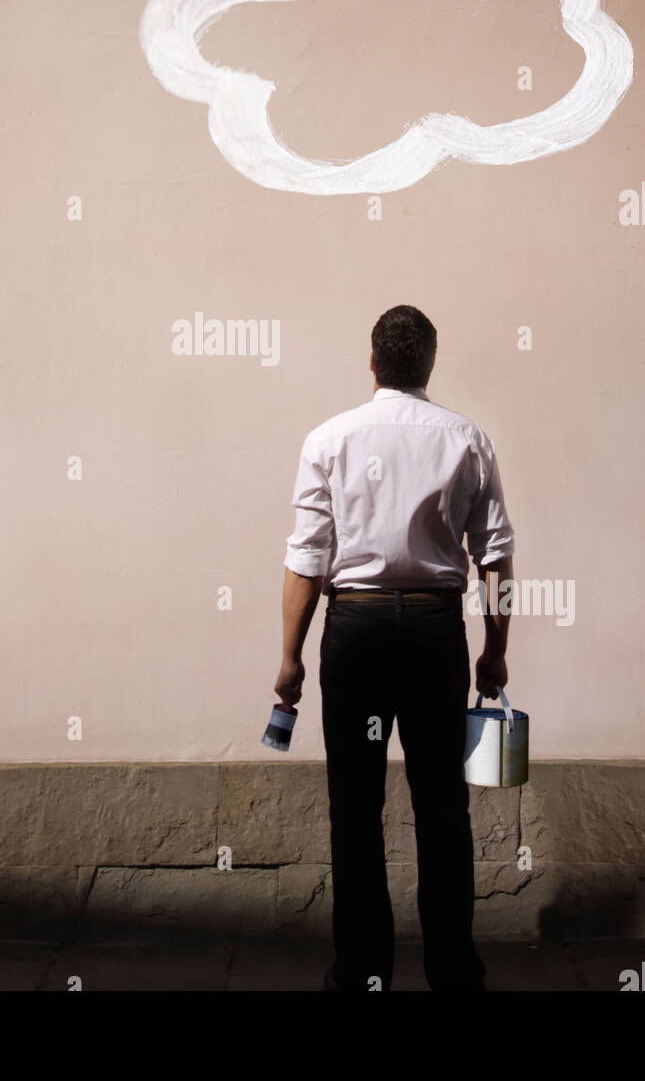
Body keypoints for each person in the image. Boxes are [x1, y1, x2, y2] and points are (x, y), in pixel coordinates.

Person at [275, 304, 515, 992]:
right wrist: (495, 651)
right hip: (437, 633)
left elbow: (307, 561)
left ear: (373, 362)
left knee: (355, 806)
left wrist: (290, 660)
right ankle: (454, 973)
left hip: (355, 631)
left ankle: (360, 974)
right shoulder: (467, 439)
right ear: (429, 365)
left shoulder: (329, 439)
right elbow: (495, 558)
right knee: (442, 803)